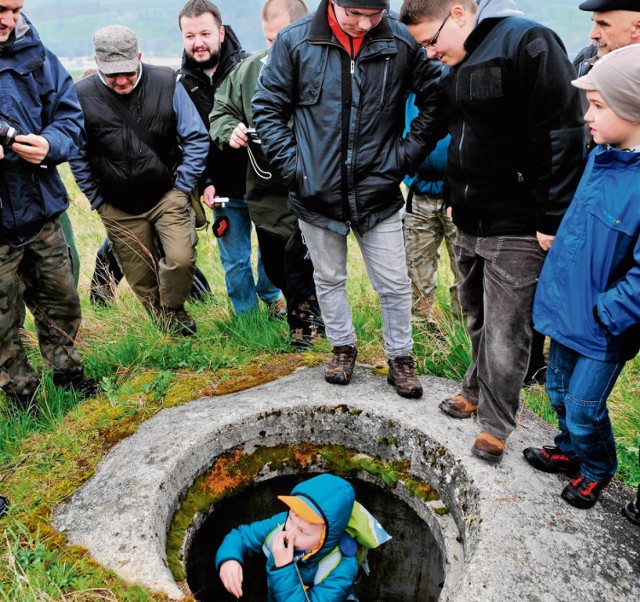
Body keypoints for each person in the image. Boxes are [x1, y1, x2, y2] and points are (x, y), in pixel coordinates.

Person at [399, 0, 585, 461]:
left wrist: (551, 218)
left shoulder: (528, 42)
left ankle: (497, 424)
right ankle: (475, 389)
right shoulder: (455, 62)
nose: (430, 54)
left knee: (507, 330)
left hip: (518, 223)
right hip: (468, 216)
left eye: (430, 41)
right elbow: (438, 127)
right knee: (476, 315)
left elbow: (561, 133)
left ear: (458, 13)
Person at [253, 0, 444, 398]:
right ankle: (342, 348)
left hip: (379, 190)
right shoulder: (295, 41)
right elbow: (267, 109)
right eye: (352, 14)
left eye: (373, 15)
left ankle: (401, 358)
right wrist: (296, 169)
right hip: (315, 193)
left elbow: (436, 98)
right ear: (333, 3)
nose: (362, 24)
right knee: (328, 278)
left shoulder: (399, 39)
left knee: (394, 282)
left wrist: (403, 157)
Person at [523, 45, 640, 509]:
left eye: (597, 106)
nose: (587, 117)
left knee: (585, 407)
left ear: (632, 108)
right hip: (570, 307)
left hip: (604, 323)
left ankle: (596, 469)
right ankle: (571, 452)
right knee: (556, 389)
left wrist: (608, 312)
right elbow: (576, 232)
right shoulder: (601, 158)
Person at [69, 25, 209, 336]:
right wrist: (97, 199)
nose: (121, 80)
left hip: (166, 194)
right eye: (111, 74)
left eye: (128, 72)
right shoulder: (80, 96)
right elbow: (76, 153)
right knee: (140, 278)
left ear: (140, 57)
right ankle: (169, 329)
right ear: (96, 62)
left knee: (181, 258)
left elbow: (197, 137)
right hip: (116, 206)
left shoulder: (167, 82)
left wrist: (183, 186)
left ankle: (174, 310)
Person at [1, 0, 102, 412]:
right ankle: (22, 399)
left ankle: (69, 377)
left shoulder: (36, 54)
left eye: (13, 9)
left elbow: (69, 118)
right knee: (2, 326)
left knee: (61, 303)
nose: (8, 19)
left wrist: (49, 146)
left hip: (42, 216)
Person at [210, 0, 323, 348]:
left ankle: (307, 325)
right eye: (270, 41)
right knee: (275, 265)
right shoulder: (248, 70)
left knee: (305, 261)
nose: (277, 49)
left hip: (315, 189)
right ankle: (302, 314)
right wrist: (230, 129)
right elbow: (221, 109)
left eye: (283, 39)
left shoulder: (325, 66)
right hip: (265, 191)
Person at [179, 0, 284, 317]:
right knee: (235, 258)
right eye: (190, 35)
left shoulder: (250, 69)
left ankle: (271, 296)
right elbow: (188, 141)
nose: (198, 42)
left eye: (205, 33)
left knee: (273, 248)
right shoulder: (181, 85)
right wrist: (204, 182)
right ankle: (247, 318)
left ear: (221, 33)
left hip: (264, 182)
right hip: (222, 187)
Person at [215, 474, 390, 601]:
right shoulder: (281, 526)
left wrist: (284, 568)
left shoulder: (340, 566)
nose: (290, 533)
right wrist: (229, 559)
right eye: (291, 519)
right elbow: (241, 536)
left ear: (326, 536)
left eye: (303, 532)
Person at [402, 94, 460, 323]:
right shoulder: (409, 91)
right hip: (419, 192)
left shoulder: (459, 79)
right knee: (416, 264)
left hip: (458, 193)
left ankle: (463, 327)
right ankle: (420, 324)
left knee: (464, 265)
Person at [574, 0, 640, 77]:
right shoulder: (587, 56)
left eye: (603, 25)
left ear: (637, 28)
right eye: (594, 23)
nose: (593, 35)